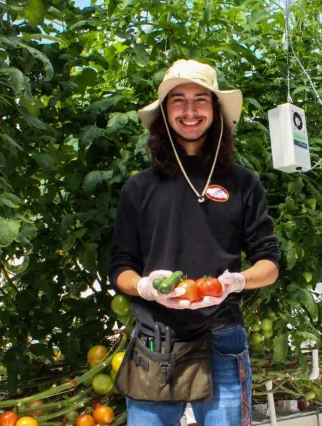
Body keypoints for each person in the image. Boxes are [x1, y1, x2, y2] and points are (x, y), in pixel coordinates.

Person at [108, 59, 280, 426]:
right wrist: (144, 287)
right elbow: (119, 266)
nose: (189, 111)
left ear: (215, 110)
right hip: (155, 340)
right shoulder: (139, 189)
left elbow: (269, 261)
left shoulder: (242, 183)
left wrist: (237, 281)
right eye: (178, 100)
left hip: (222, 336)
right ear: (164, 113)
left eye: (200, 99)